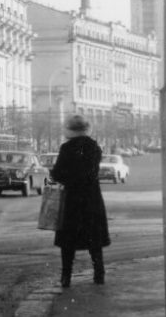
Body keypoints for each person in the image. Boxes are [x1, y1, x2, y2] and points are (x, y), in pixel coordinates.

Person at [50, 114, 110, 288]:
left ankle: (66, 277)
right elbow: (91, 172)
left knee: (68, 241)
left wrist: (54, 175)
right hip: (91, 198)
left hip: (72, 199)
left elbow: (59, 173)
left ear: (70, 130)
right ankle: (99, 274)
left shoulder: (66, 148)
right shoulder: (95, 147)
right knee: (94, 239)